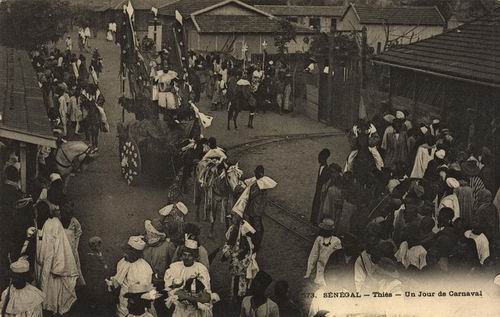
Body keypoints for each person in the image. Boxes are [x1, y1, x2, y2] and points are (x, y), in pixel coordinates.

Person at [33, 216, 79, 315]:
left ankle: (54, 310)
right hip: (42, 265)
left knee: (53, 294)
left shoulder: (53, 223)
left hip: (54, 267)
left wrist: (57, 268)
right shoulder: (37, 225)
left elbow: (60, 246)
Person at [164, 239, 212, 317]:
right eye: (184, 255)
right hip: (180, 309)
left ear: (195, 257)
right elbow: (170, 289)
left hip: (195, 310)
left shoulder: (201, 269)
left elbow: (206, 293)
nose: (186, 258)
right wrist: (179, 296)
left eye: (190, 255)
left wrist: (189, 298)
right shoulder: (175, 267)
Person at [108, 236, 154, 317]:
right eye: (125, 251)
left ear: (136, 253)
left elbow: (144, 290)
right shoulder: (122, 262)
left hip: (136, 304)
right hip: (122, 300)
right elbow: (117, 280)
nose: (125, 254)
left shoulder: (144, 267)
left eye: (128, 252)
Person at [222, 212, 259, 305]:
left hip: (242, 261)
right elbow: (229, 243)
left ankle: (239, 299)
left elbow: (249, 246)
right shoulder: (233, 229)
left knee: (240, 280)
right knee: (237, 280)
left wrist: (233, 254)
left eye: (233, 218)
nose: (231, 220)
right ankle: (237, 297)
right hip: (237, 261)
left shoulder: (244, 229)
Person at [243, 165, 277, 251]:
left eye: (256, 173)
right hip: (257, 208)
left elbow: (251, 194)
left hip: (255, 210)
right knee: (256, 224)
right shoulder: (261, 182)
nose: (254, 174)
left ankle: (256, 245)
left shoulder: (259, 185)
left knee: (256, 226)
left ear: (259, 174)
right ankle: (255, 240)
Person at [304, 218, 342, 286]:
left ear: (329, 231)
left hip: (330, 268)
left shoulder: (336, 241)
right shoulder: (319, 239)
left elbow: (339, 256)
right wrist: (309, 272)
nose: (321, 231)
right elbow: (313, 255)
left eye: (324, 230)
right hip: (319, 267)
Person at [80, 236, 113, 316]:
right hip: (95, 286)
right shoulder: (89, 258)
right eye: (94, 244)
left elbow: (107, 268)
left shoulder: (104, 255)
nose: (98, 246)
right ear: (91, 246)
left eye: (99, 244)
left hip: (104, 285)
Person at [60, 204, 86, 286]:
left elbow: (78, 233)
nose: (66, 213)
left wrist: (75, 247)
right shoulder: (58, 222)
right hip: (61, 250)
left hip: (72, 250)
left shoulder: (74, 221)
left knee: (74, 271)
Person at [311, 149, 331, 226]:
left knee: (319, 205)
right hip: (318, 189)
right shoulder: (321, 167)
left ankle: (317, 220)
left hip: (322, 191)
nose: (318, 159)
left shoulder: (327, 169)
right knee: (315, 203)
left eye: (320, 158)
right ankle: (313, 219)